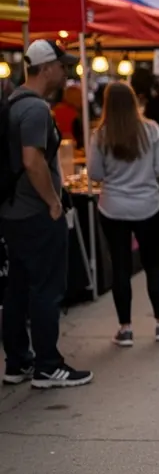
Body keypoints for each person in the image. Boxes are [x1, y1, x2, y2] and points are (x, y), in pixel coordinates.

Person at [0, 40, 92, 389]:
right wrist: (53, 201)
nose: (66, 73)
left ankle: (18, 361)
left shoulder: (12, 102)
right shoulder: (35, 109)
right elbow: (32, 160)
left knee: (18, 289)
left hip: (12, 210)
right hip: (34, 212)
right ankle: (47, 365)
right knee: (45, 289)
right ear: (47, 68)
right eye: (62, 66)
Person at [88, 82, 159, 347]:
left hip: (112, 206)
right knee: (152, 265)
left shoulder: (100, 135)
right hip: (147, 205)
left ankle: (125, 328)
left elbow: (94, 174)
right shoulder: (150, 130)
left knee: (120, 266)